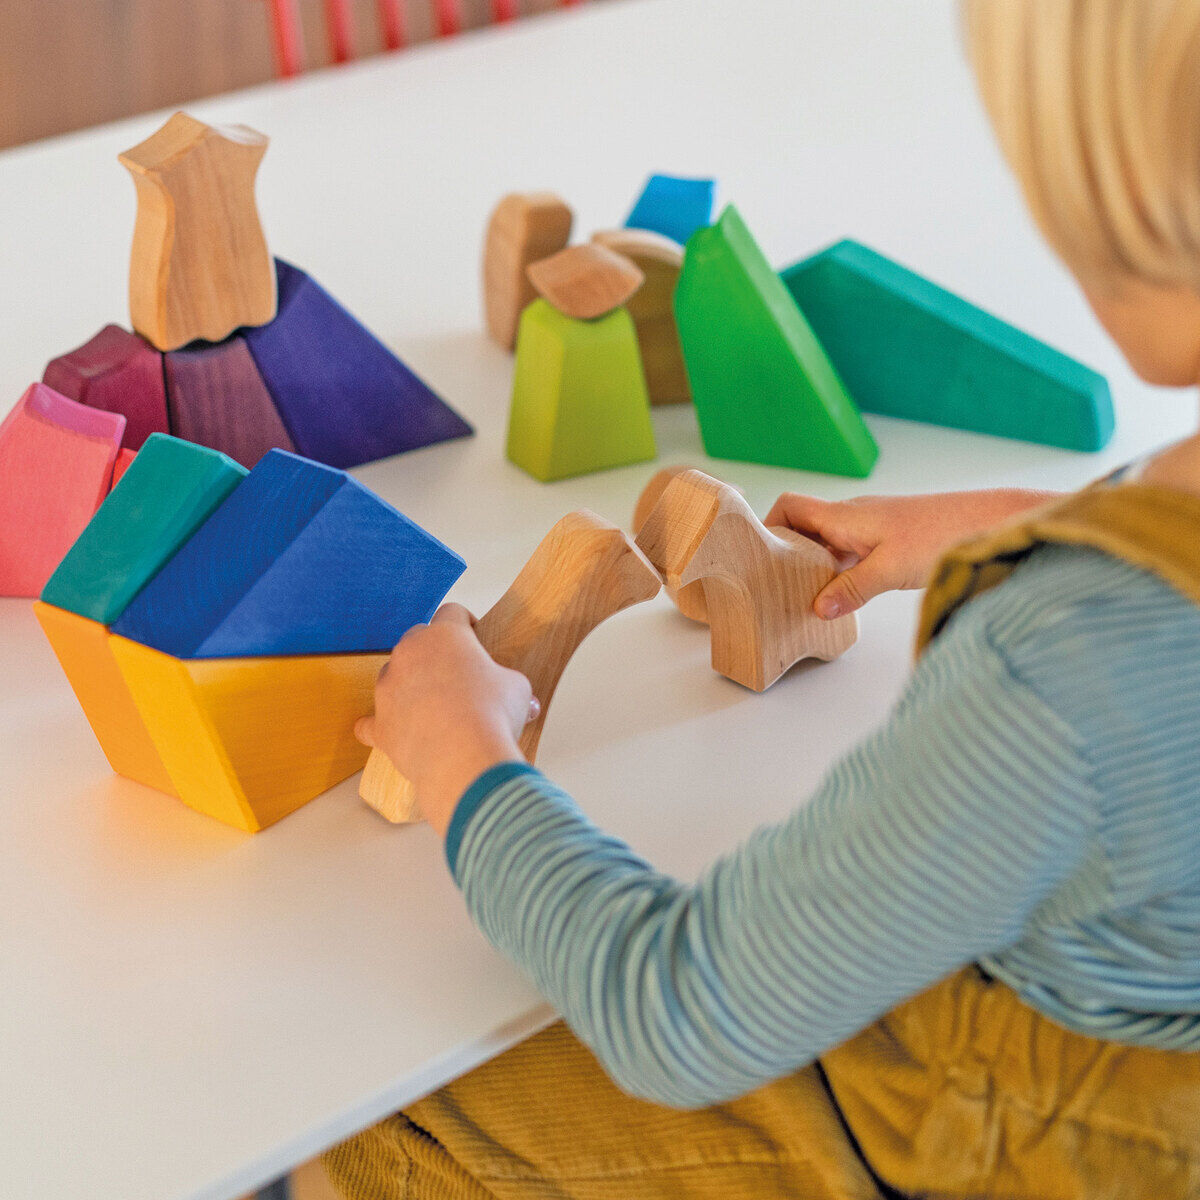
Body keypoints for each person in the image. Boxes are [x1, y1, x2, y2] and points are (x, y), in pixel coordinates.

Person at [326, 2, 1200, 1195]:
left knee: (380, 1104)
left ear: (1137, 220)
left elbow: (683, 1009)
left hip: (1036, 1135)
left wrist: (464, 762)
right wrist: (1006, 518)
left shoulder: (1059, 671)